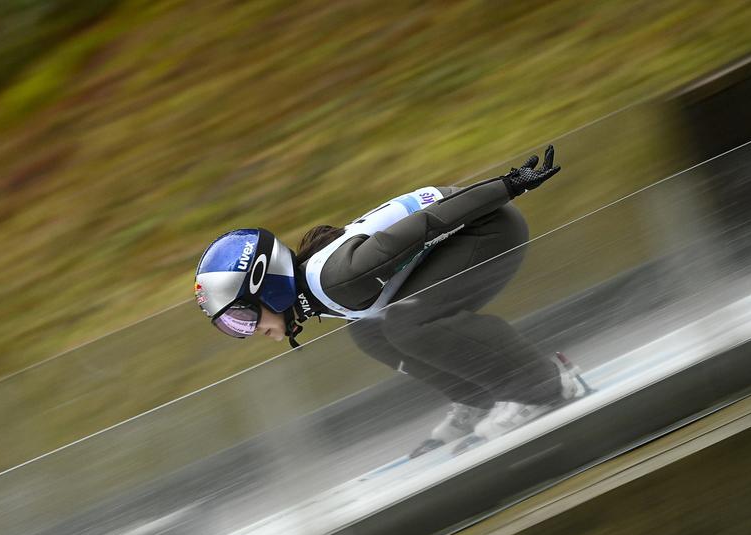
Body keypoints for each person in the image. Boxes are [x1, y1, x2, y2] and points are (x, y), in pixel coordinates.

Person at [193, 146, 591, 455]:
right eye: (233, 328)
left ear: (267, 286)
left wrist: (510, 184)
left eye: (242, 318)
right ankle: (479, 398)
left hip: (489, 231)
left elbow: (428, 224)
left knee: (408, 323)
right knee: (370, 330)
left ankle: (545, 387)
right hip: (461, 238)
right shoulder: (316, 289)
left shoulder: (339, 281)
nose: (247, 332)